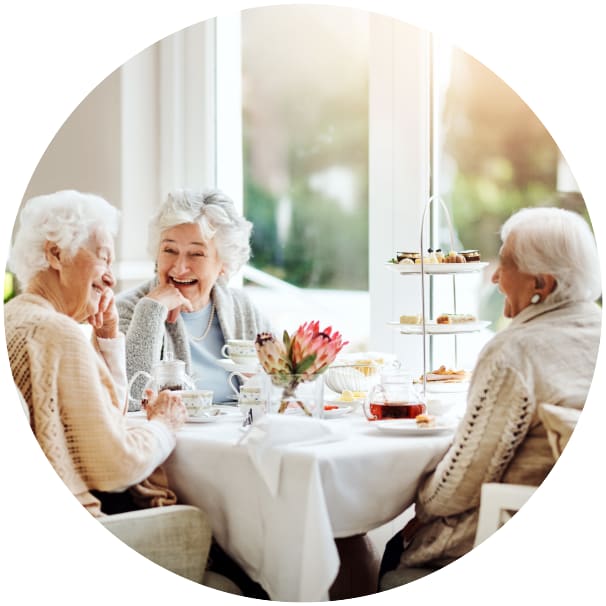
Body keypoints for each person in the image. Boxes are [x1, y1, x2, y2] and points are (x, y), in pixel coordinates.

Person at [378, 206, 602, 589]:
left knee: (386, 546)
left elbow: (454, 490)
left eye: (506, 263)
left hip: (506, 534)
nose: (495, 277)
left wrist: (416, 504)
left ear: (542, 285)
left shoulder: (514, 353)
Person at [5, 189, 187, 517]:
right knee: (198, 521)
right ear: (56, 254)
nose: (110, 277)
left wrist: (106, 337)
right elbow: (116, 465)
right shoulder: (56, 334)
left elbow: (100, 422)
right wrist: (163, 424)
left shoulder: (14, 316)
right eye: (103, 257)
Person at [116, 188, 272, 408]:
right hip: (170, 439)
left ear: (223, 264)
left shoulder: (241, 308)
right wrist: (151, 311)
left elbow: (282, 383)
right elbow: (128, 400)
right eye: (169, 250)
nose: (179, 268)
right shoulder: (127, 309)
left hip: (240, 437)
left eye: (196, 254)